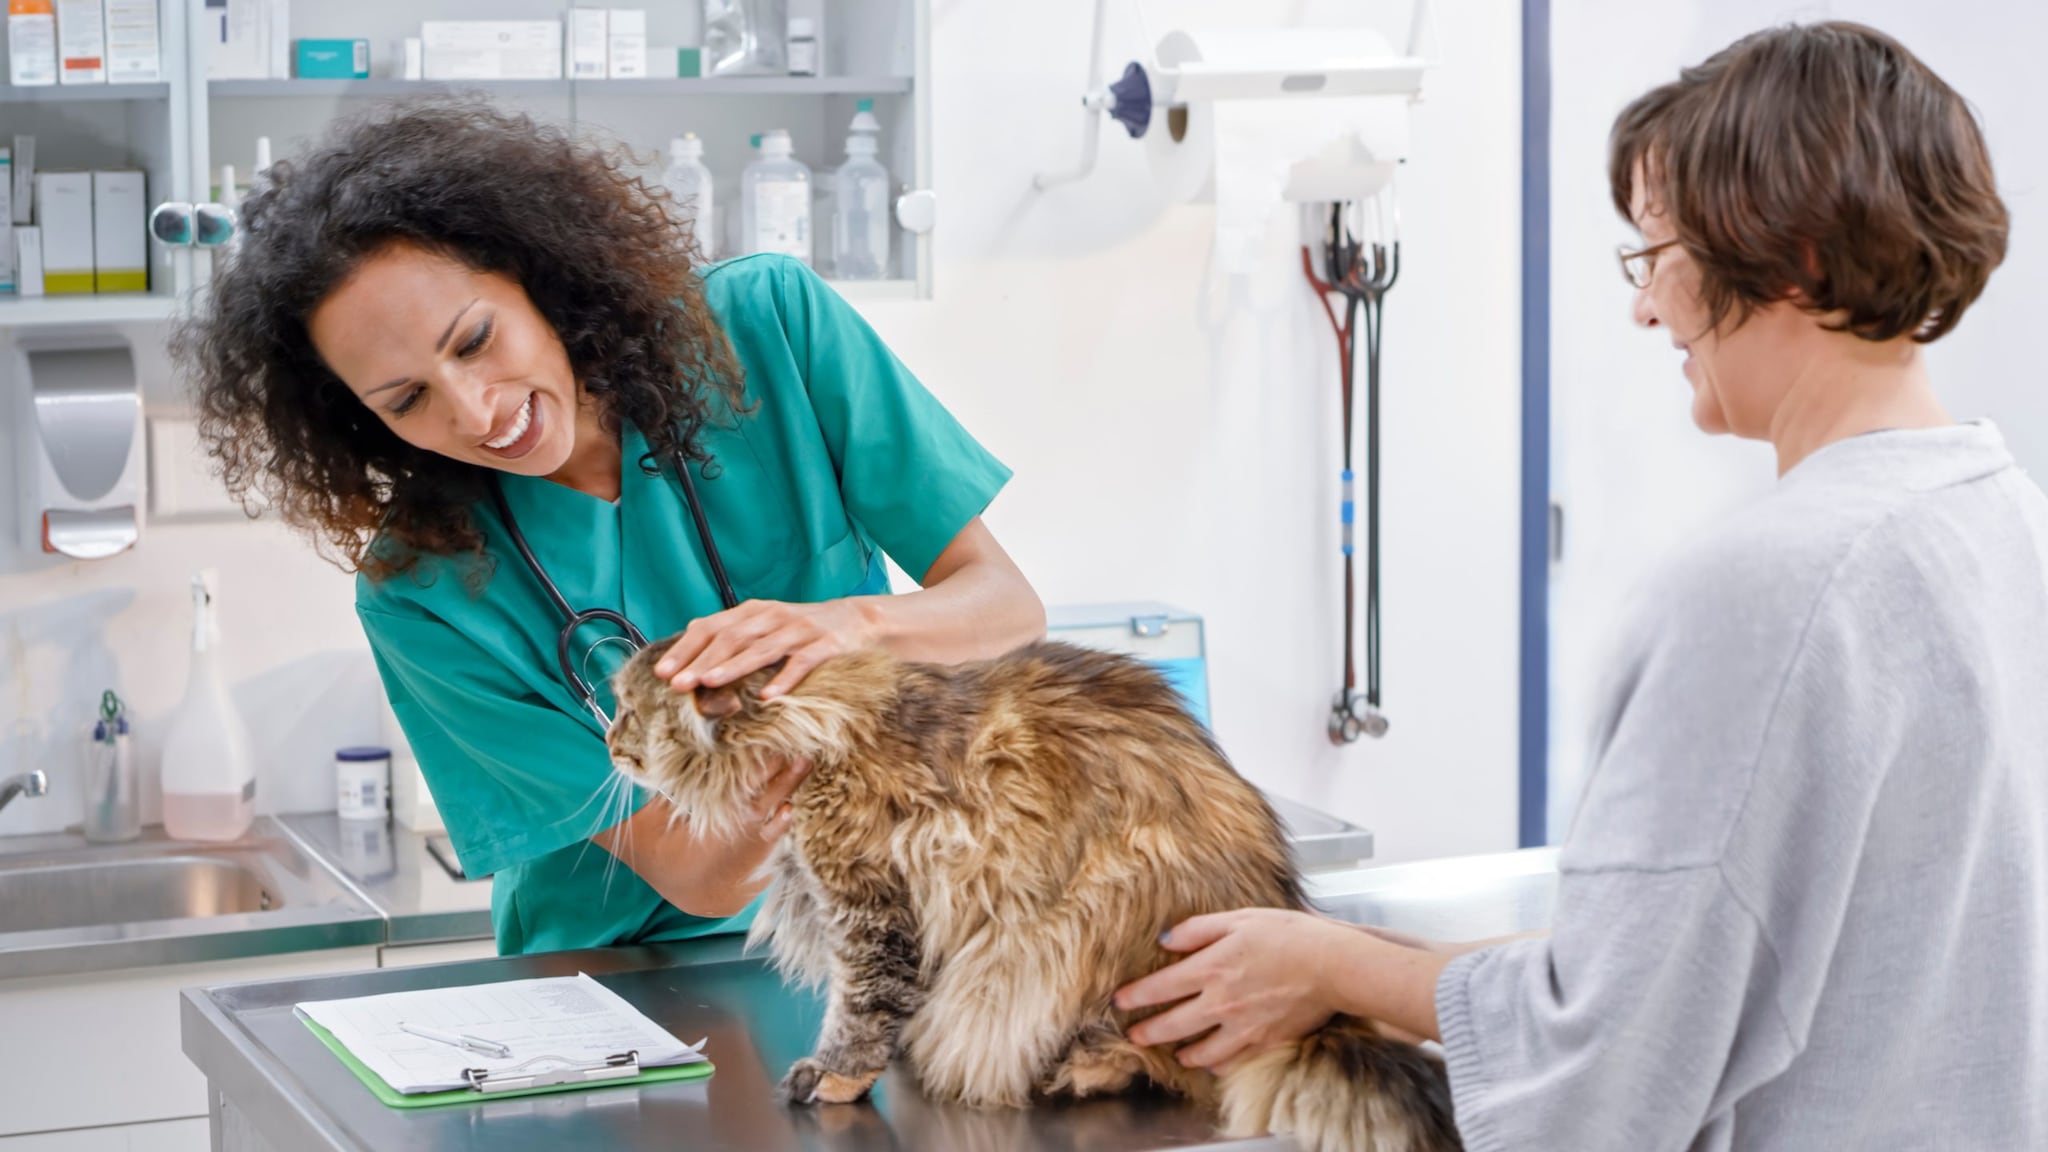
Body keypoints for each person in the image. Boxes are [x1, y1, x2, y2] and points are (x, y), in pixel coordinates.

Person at [1117, 22, 2047, 1149]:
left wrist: (1332, 962)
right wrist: (1346, 969)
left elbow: (1606, 1068)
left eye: (1656, 255)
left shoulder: (1761, 590)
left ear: (1788, 256)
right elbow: (1708, 978)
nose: (1645, 308)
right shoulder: (1996, 516)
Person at [177, 100, 1044, 955]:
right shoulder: (420, 590)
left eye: (475, 341)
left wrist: (846, 630)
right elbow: (698, 877)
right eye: (407, 399)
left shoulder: (768, 325)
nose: (477, 413)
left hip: (874, 928)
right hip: (624, 980)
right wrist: (803, 747)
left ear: (533, 275)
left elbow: (1005, 610)